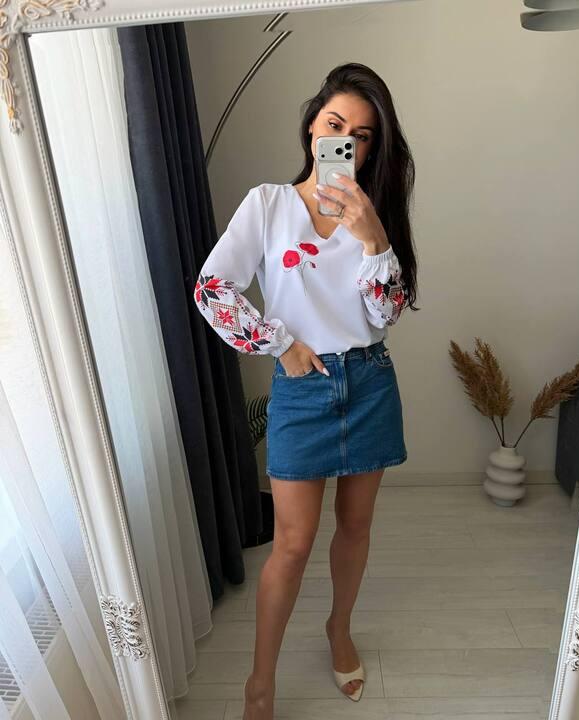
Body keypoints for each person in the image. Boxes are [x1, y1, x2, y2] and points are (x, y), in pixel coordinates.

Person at [193, 61, 418, 720]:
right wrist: (279, 344)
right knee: (291, 545)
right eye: (335, 124)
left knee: (356, 527)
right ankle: (259, 683)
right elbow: (212, 288)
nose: (346, 141)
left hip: (369, 381)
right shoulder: (268, 205)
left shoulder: (373, 215)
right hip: (302, 387)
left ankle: (338, 629)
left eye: (362, 135)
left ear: (371, 150)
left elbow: (386, 313)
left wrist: (373, 237)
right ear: (313, 128)